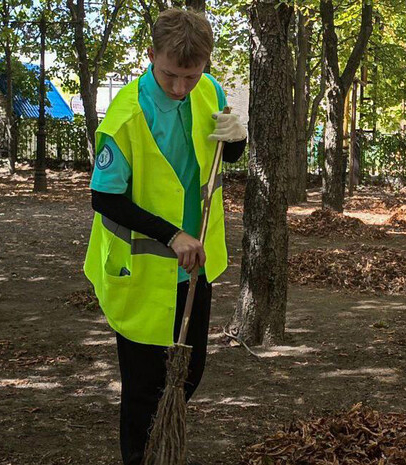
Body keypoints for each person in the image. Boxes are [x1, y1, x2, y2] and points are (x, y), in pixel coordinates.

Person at [82, 8, 247, 465]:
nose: (180, 88)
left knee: (189, 373)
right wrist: (172, 235)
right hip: (139, 270)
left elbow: (223, 153)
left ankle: (161, 448)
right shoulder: (126, 118)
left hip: (195, 264)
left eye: (191, 77)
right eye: (171, 75)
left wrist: (237, 139)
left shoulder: (208, 90)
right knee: (142, 388)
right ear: (150, 55)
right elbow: (105, 200)